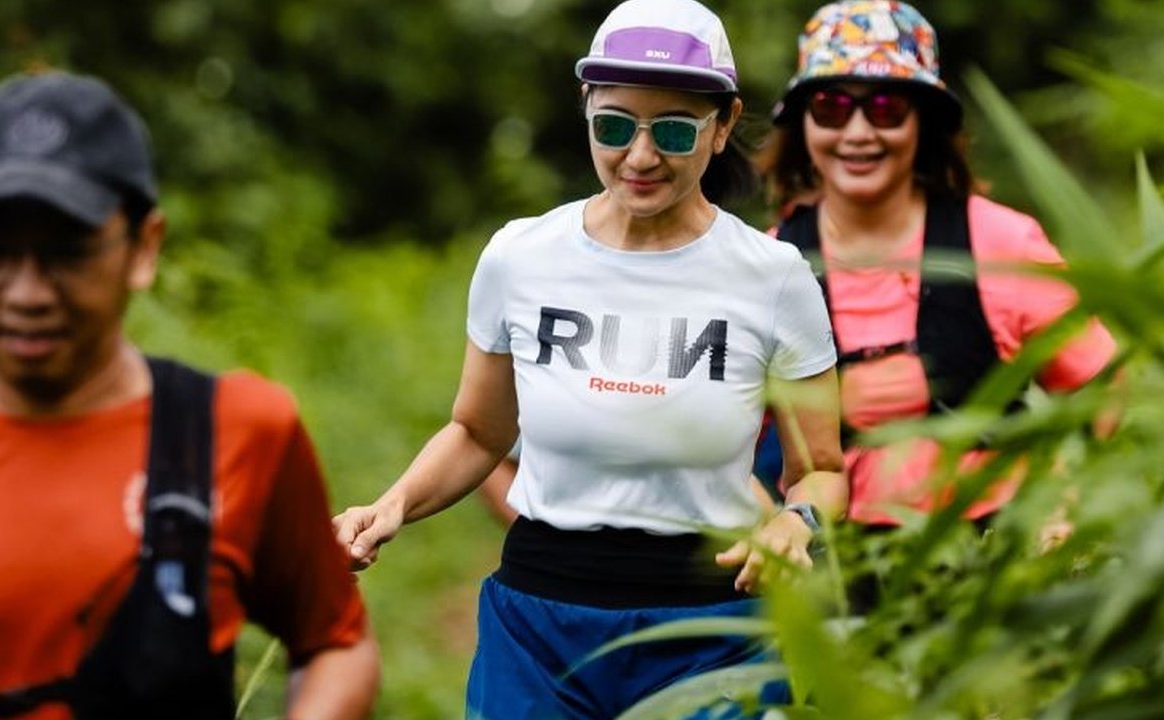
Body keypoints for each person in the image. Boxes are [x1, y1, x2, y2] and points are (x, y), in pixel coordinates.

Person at [335, 0, 846, 717]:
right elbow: (479, 433)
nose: (639, 157)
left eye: (672, 129)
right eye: (614, 126)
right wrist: (391, 505)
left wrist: (798, 525)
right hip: (540, 626)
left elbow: (819, 469)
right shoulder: (521, 255)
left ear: (723, 125)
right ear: (585, 108)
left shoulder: (772, 276)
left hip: (707, 628)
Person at [0, 71, 379, 719]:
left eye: (69, 253)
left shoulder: (237, 431)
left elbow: (336, 641)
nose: (27, 293)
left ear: (144, 247)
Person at [756, 2, 1117, 556]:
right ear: (802, 125)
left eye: (885, 107)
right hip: (831, 568)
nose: (857, 132)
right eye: (829, 108)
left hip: (989, 560)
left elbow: (1103, 386)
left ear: (923, 122)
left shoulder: (999, 242)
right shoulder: (769, 261)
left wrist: (1071, 501)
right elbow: (721, 440)